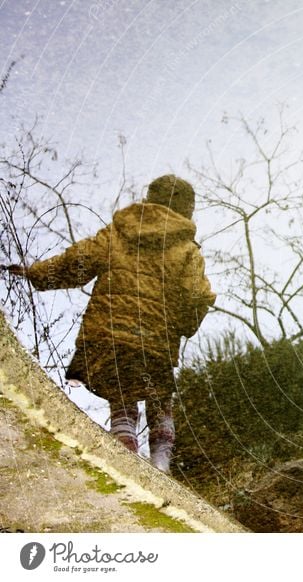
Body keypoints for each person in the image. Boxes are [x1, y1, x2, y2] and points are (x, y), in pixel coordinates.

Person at [7, 175, 216, 473]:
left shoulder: (118, 233)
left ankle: (125, 453)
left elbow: (76, 262)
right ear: (187, 209)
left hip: (106, 335)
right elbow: (196, 297)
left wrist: (36, 273)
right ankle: (160, 463)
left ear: (149, 198)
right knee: (159, 399)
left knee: (122, 396)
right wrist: (185, 324)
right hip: (152, 340)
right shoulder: (186, 250)